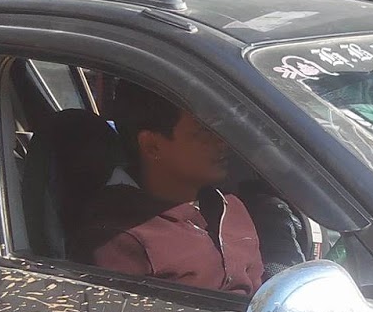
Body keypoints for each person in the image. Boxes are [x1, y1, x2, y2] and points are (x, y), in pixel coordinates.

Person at [70, 80, 264, 297]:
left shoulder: (230, 206)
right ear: (152, 146)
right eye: (204, 132)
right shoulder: (120, 237)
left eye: (220, 127)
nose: (222, 141)